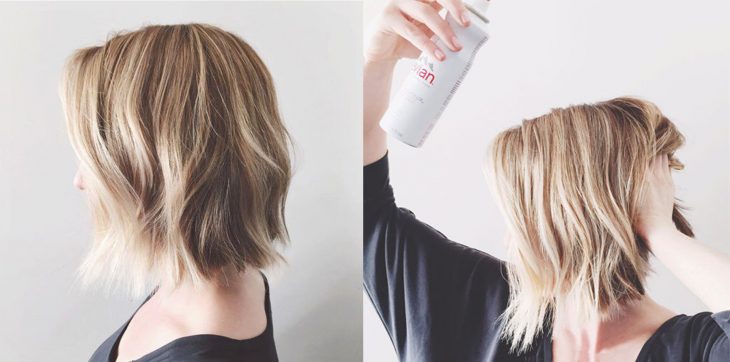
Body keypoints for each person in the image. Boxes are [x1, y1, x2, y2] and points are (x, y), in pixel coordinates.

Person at [363, 0, 730, 361]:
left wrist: (661, 230)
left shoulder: (697, 348)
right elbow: (364, 213)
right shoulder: (467, 305)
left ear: (569, 215)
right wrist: (379, 61)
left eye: (519, 214)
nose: (509, 239)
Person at [61, 24, 290, 362]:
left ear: (161, 165)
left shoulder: (204, 340)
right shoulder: (222, 277)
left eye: (97, 159)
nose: (80, 180)